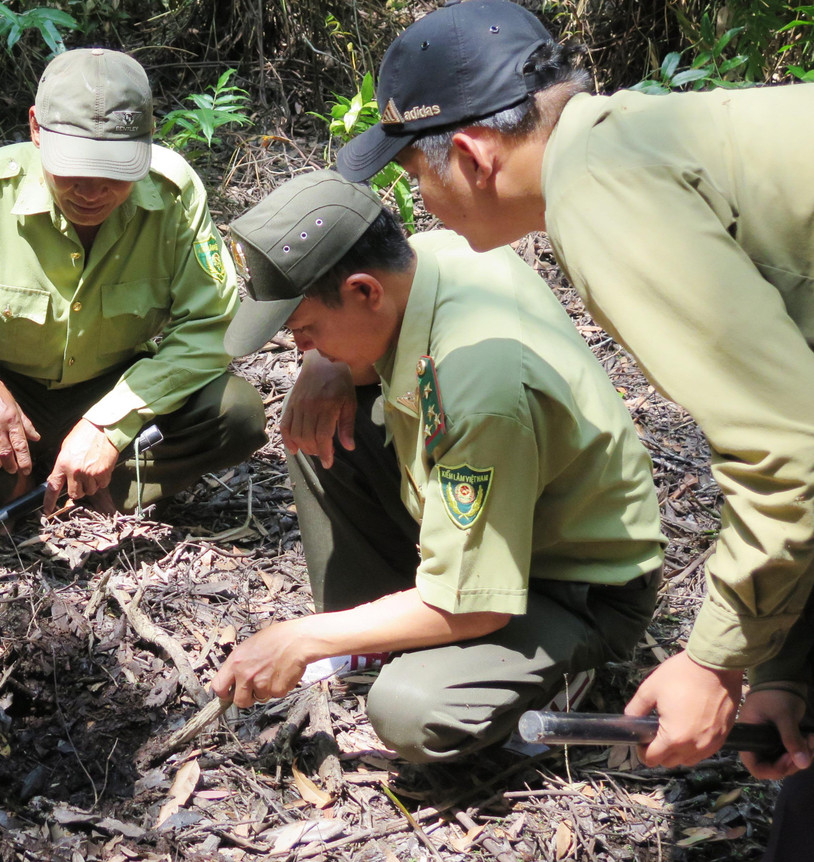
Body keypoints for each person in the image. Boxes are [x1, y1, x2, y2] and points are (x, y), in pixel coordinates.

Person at [335, 0, 814, 799]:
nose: (421, 204)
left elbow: (789, 451)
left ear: (470, 154)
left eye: (416, 176)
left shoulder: (602, 194)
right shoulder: (635, 140)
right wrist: (787, 672)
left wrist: (716, 663)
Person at [210, 170, 665, 762]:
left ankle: (557, 672)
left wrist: (301, 638)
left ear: (365, 291)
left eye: (305, 330)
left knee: (410, 711)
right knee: (317, 428)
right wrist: (328, 365)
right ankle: (387, 638)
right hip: (497, 530)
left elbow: (478, 603)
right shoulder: (432, 259)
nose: (300, 347)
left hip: (571, 585)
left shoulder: (480, 392)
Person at [0, 48, 266, 515]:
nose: (92, 191)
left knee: (236, 413)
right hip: (0, 389)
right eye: (72, 167)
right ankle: (4, 489)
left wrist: (109, 425)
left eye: (115, 170)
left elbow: (211, 326)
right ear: (35, 128)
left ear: (147, 140)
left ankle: (100, 486)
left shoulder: (175, 195)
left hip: (116, 385)